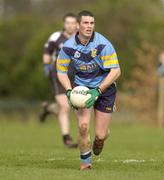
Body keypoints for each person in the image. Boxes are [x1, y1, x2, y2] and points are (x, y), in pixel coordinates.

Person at [56, 10, 121, 169]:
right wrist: (69, 91)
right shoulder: (69, 46)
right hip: (81, 86)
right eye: (86, 23)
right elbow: (61, 71)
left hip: (105, 88)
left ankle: (102, 138)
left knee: (100, 135)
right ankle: (86, 162)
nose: (89, 26)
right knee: (83, 126)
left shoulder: (103, 44)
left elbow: (116, 71)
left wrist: (98, 90)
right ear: (78, 25)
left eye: (92, 23)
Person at [41, 13, 78, 148]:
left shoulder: (82, 37)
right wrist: (46, 66)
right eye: (68, 22)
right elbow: (47, 53)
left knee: (74, 106)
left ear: (77, 24)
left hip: (76, 75)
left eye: (73, 23)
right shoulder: (56, 37)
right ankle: (66, 139)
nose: (70, 25)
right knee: (66, 106)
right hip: (58, 74)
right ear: (64, 24)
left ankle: (49, 108)